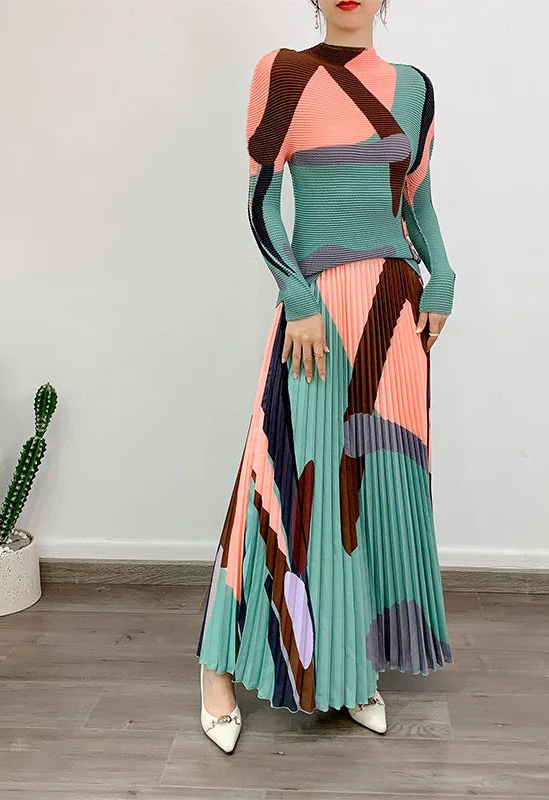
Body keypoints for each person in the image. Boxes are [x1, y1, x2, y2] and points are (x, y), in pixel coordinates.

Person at [196, 0, 456, 753]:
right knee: (284, 477)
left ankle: (348, 666)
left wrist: (442, 277)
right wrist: (298, 298)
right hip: (317, 316)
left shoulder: (415, 87)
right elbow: (261, 200)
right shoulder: (282, 73)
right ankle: (216, 669)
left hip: (394, 313)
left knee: (370, 489)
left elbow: (416, 200)